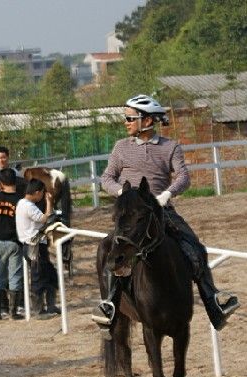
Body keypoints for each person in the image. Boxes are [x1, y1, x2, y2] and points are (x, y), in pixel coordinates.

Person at [92, 94, 239, 332]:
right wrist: (122, 194)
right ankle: (109, 303)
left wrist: (167, 194)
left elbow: (183, 177)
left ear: (147, 120)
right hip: (132, 215)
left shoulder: (170, 147)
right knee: (111, 248)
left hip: (162, 210)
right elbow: (106, 178)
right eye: (126, 118)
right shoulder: (121, 147)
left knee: (194, 247)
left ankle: (214, 301)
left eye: (130, 118)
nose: (125, 122)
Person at [15, 179, 60, 319]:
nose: (42, 196)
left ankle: (50, 305)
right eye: (42, 194)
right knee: (38, 277)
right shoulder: (29, 206)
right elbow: (46, 218)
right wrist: (49, 203)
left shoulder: (21, 203)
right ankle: (39, 310)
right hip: (34, 246)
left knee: (49, 274)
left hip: (31, 245)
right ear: (37, 192)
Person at [0, 168, 24, 320]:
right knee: (15, 276)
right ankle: (14, 312)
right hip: (14, 242)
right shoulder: (20, 201)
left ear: (0, 183)